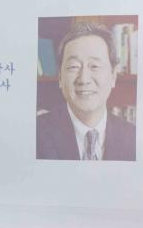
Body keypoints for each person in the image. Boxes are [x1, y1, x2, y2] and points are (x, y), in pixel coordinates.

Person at [36, 22, 135, 161]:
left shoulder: (133, 138)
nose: (84, 79)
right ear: (60, 77)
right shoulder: (35, 134)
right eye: (73, 67)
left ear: (113, 76)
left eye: (94, 66)